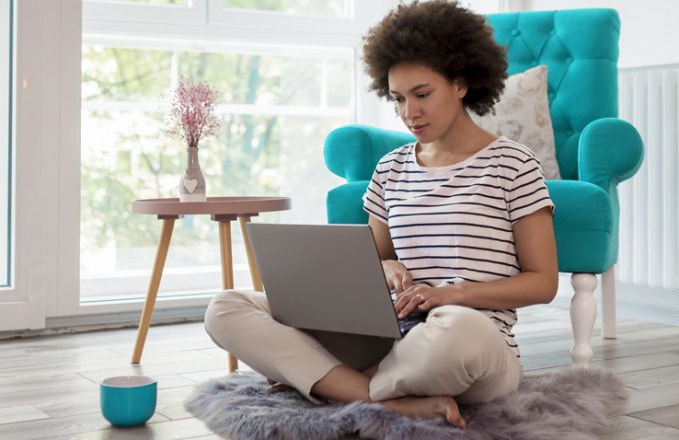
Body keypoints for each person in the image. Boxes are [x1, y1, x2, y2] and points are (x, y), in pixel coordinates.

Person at [204, 0, 557, 429]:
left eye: (422, 94)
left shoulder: (513, 164)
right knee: (226, 307)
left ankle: (328, 384)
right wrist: (387, 269)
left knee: (457, 330)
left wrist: (450, 294)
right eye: (398, 99)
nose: (410, 112)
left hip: (471, 343)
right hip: (391, 338)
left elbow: (543, 283)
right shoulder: (390, 168)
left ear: (461, 83)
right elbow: (375, 259)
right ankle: (382, 397)